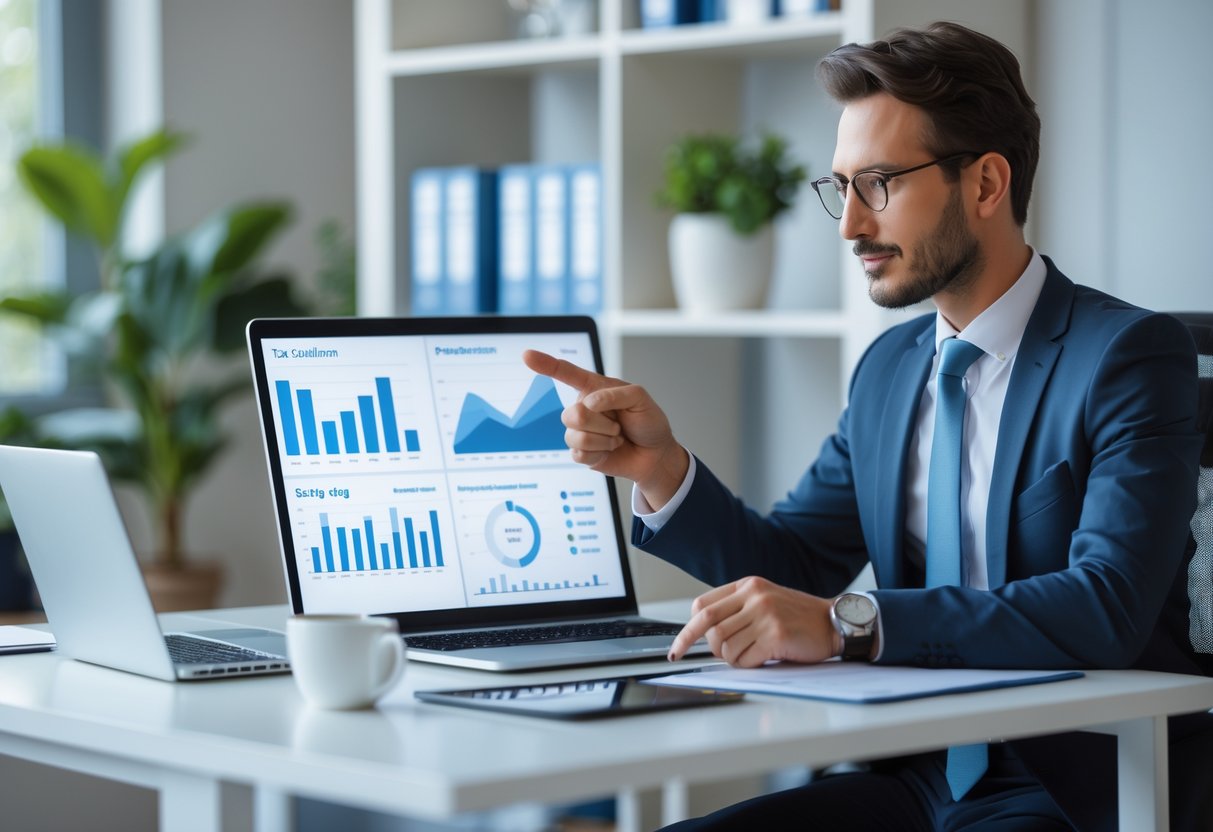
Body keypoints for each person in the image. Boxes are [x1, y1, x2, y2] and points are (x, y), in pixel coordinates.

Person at [522, 20, 1213, 832]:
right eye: (839, 186)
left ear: (985, 185)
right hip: (918, 774)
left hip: (1080, 781)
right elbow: (795, 567)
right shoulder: (888, 370)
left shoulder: (1126, 355)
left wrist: (856, 625)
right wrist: (662, 470)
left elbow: (1106, 605)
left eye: (878, 183)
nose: (849, 225)